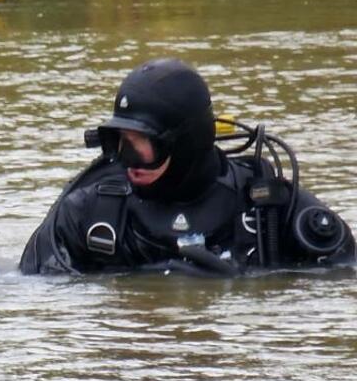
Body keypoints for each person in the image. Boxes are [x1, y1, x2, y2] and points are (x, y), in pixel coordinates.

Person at [20, 58, 353, 276]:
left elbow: (341, 285)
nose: (126, 160)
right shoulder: (85, 214)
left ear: (184, 144)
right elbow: (32, 290)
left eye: (141, 144)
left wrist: (240, 283)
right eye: (119, 142)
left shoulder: (274, 209)